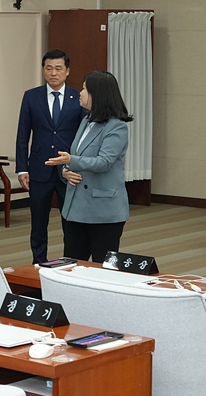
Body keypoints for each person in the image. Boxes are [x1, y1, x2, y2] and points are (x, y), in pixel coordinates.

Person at [46, 70, 132, 262]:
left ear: (97, 94)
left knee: (102, 268)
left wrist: (70, 161)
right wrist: (66, 172)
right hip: (76, 208)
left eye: (84, 89)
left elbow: (104, 162)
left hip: (104, 211)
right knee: (72, 264)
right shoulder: (86, 120)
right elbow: (76, 155)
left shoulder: (116, 126)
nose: (80, 93)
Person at [15, 50, 86, 263]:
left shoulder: (78, 98)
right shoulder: (31, 95)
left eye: (58, 68)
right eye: (48, 68)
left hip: (69, 170)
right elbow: (22, 134)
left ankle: (70, 263)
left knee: (70, 222)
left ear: (67, 71)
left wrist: (80, 165)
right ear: (43, 70)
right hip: (39, 168)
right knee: (38, 222)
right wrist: (22, 168)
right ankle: (38, 262)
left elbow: (83, 136)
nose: (53, 73)